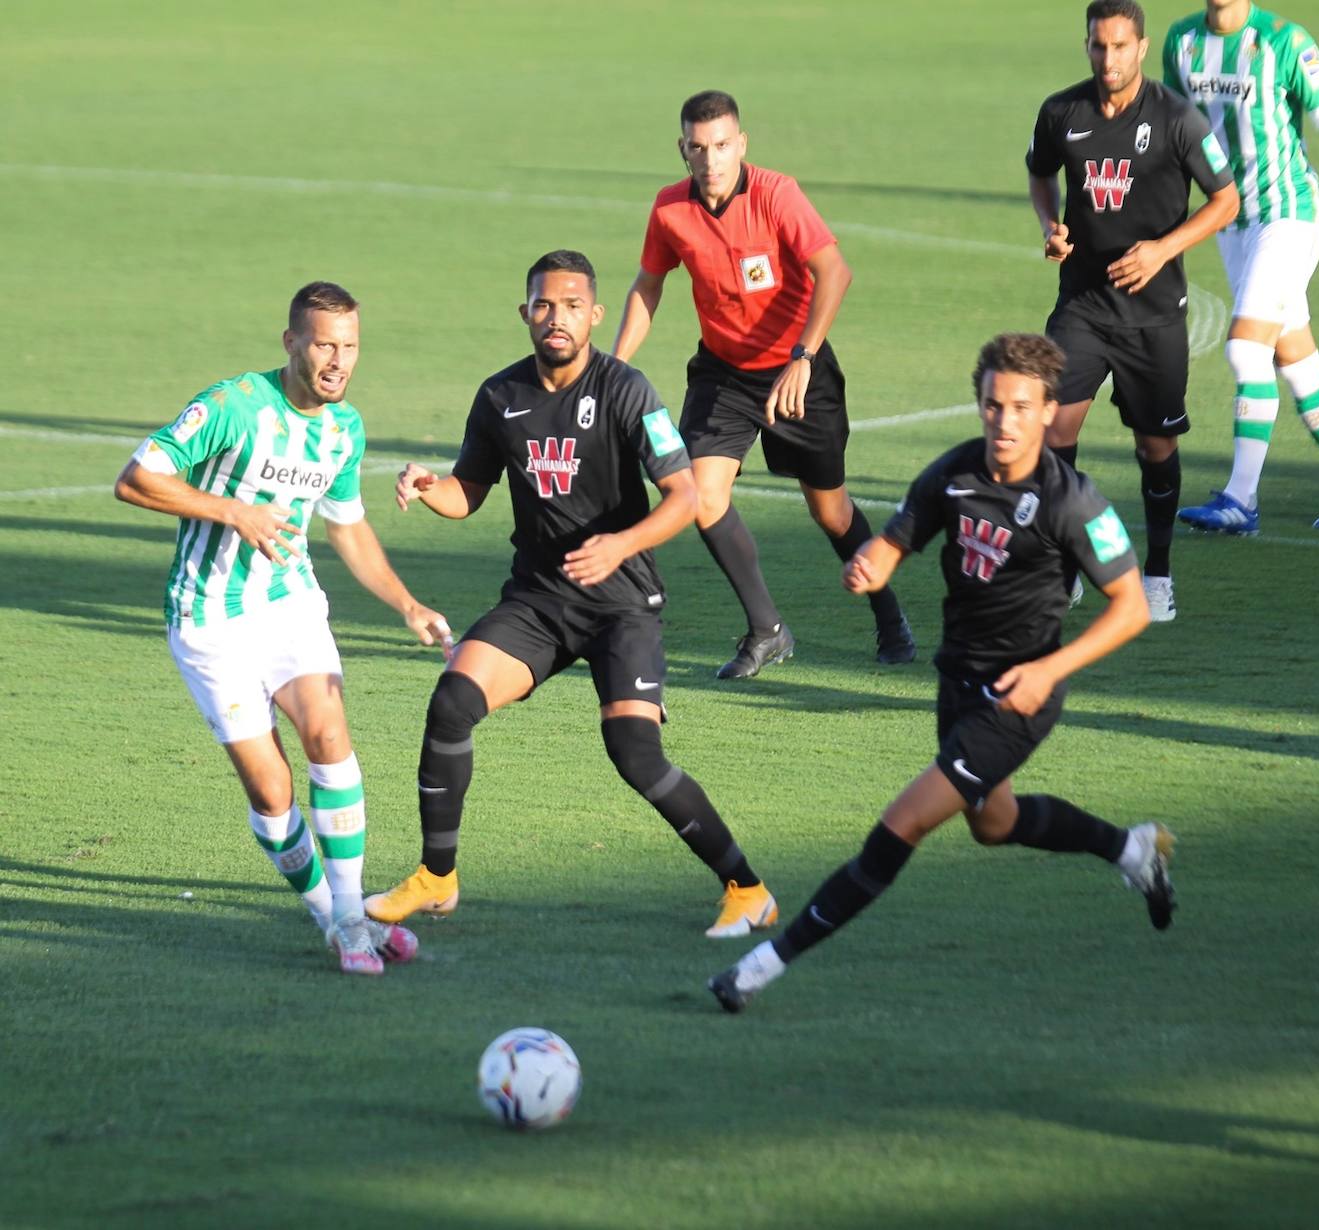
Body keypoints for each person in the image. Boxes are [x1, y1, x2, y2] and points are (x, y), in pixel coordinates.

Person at [709, 333, 1173, 1014]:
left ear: (1049, 411)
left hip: (1018, 699)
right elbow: (896, 539)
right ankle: (1130, 850)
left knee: (901, 826)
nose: (1004, 421)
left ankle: (757, 968)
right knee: (995, 822)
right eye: (993, 405)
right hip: (957, 680)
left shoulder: (1074, 501)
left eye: (1020, 407)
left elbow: (1131, 607)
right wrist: (871, 565)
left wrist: (1050, 671)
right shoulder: (953, 474)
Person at [363, 250, 778, 939]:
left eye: (572, 306)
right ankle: (437, 879)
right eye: (544, 305)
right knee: (452, 701)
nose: (557, 318)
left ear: (595, 315)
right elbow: (470, 490)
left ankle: (747, 888)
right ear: (526, 312)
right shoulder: (500, 396)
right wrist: (429, 486)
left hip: (621, 602)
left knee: (634, 752)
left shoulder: (628, 390)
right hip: (539, 599)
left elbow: (685, 497)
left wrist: (621, 544)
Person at [114, 281, 448, 975]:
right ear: (291, 341)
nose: (338, 360)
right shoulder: (234, 406)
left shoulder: (343, 429)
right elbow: (136, 479)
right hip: (208, 619)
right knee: (271, 793)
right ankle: (331, 915)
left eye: (350, 346)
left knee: (327, 731)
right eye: (324, 343)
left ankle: (354, 918)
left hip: (289, 602)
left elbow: (348, 528)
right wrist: (232, 512)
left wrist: (406, 603)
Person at [611, 90, 915, 678]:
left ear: (741, 144)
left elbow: (835, 271)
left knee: (830, 513)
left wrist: (803, 355)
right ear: (683, 150)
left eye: (722, 145)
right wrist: (614, 365)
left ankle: (888, 614)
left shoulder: (778, 194)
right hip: (723, 373)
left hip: (797, 372)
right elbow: (649, 285)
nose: (711, 159)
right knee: (700, 495)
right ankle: (767, 629)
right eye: (698, 148)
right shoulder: (670, 209)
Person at [1027, 0, 1239, 623]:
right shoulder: (1061, 111)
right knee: (1053, 431)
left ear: (1142, 48)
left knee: (1155, 448)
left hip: (1154, 315)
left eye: (1121, 46)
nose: (1109, 58)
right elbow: (1041, 174)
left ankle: (1159, 571)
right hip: (1083, 308)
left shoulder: (1178, 120)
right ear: (1087, 44)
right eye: (1098, 45)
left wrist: (1161, 251)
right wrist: (1051, 224)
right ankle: (1066, 567)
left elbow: (1224, 201)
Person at [1166, 0, 1319, 531]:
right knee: (1294, 356)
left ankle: (1241, 500)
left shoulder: (1286, 42)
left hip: (1289, 214)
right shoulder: (1182, 43)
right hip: (1231, 223)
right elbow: (1176, 137)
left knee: (1244, 347)